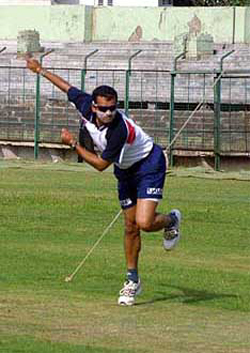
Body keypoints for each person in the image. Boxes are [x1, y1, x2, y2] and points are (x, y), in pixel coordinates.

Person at [26, 58, 182, 306]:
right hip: (125, 170)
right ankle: (132, 281)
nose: (109, 113)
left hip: (149, 164)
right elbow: (67, 87)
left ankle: (171, 220)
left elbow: (100, 165)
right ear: (94, 107)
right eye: (104, 109)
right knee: (130, 227)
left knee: (143, 222)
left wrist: (73, 144)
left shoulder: (118, 129)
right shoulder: (86, 104)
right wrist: (39, 70)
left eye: (113, 108)